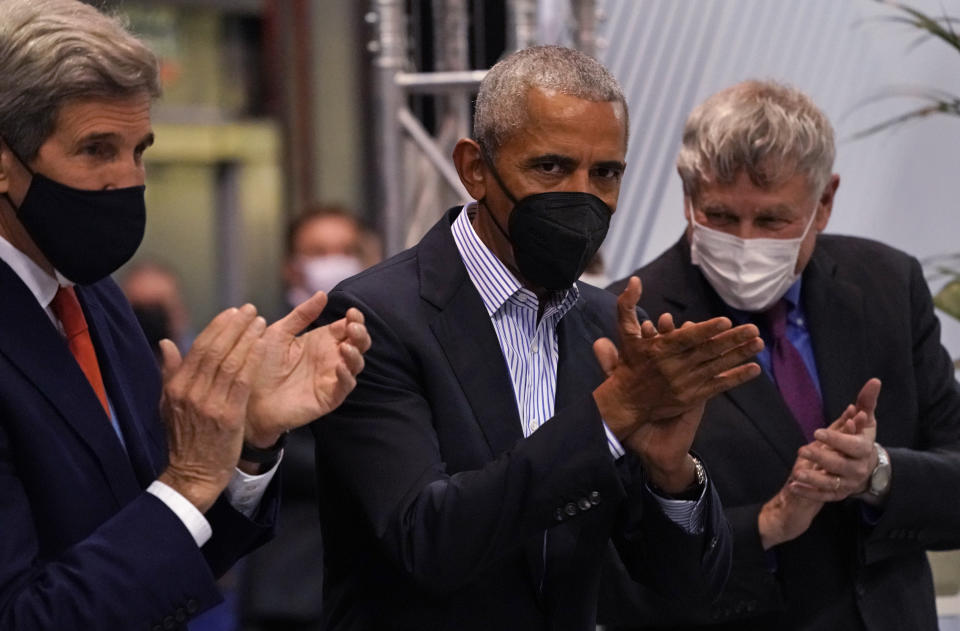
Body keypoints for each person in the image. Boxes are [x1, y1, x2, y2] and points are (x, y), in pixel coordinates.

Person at [312, 45, 765, 631]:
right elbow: (426, 540)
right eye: (551, 167)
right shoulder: (375, 318)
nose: (582, 196)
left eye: (605, 173)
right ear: (475, 168)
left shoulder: (609, 325)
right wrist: (606, 419)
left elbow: (685, 589)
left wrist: (669, 475)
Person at [0, 1, 370, 630]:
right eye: (96, 149)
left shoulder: (95, 297)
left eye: (138, 149)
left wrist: (246, 443)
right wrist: (191, 478)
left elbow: (175, 550)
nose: (128, 178)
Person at [601, 80, 960, 630]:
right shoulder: (628, 322)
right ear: (687, 196)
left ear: (825, 202)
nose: (746, 242)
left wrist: (877, 475)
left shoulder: (889, 285)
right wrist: (766, 525)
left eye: (772, 221)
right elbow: (617, 572)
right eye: (719, 216)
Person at [241, 206, 380, 631]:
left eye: (346, 249)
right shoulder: (259, 338)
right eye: (318, 251)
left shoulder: (393, 330)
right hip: (293, 583)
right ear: (292, 266)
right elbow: (259, 452)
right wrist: (382, 463)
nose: (333, 260)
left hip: (382, 589)